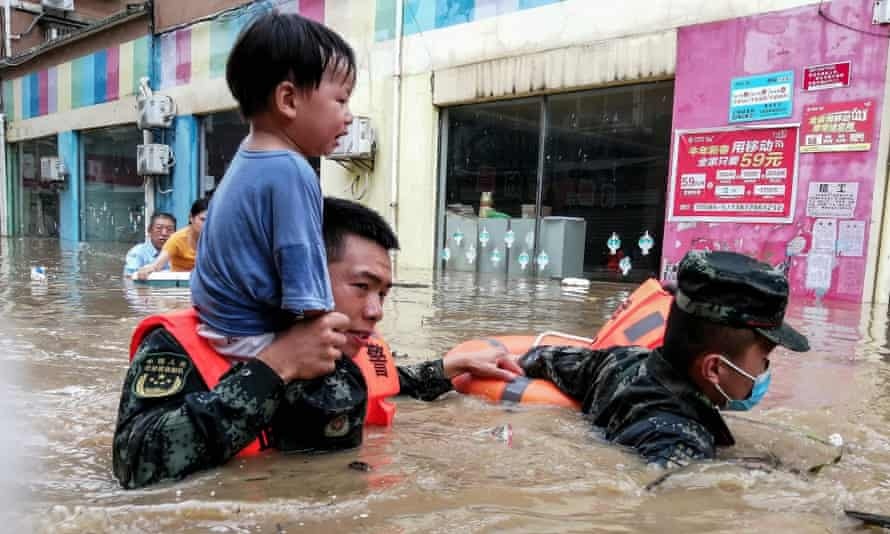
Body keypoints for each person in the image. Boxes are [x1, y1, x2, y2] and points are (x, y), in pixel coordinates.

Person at [112, 197, 521, 489]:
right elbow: (134, 463)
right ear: (297, 273)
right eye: (362, 287)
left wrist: (448, 368)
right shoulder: (182, 344)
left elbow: (392, 383)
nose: (377, 310)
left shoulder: (349, 345)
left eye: (384, 293)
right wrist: (275, 367)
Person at [515, 250, 810, 467]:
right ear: (714, 369)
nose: (764, 372)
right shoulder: (682, 442)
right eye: (764, 359)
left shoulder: (621, 360)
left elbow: (541, 357)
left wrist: (508, 360)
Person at [189, 11, 355, 361]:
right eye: (341, 100)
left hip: (219, 327)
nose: (349, 115)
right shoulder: (292, 170)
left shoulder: (247, 157)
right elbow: (305, 282)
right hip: (252, 338)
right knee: (346, 375)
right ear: (289, 101)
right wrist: (340, 328)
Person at [135, 198, 208, 279]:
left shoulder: (218, 239)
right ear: (191, 217)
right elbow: (158, 264)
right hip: (179, 285)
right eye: (203, 219)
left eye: (211, 220)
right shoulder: (177, 239)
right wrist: (149, 269)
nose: (207, 224)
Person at [124, 212, 176, 277]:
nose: (164, 233)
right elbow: (129, 278)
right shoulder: (137, 252)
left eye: (169, 229)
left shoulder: (179, 252)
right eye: (159, 228)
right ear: (149, 230)